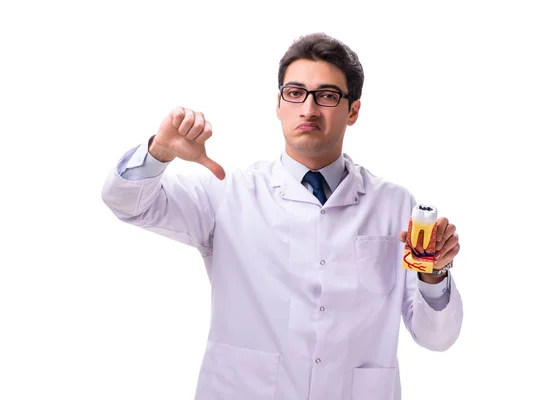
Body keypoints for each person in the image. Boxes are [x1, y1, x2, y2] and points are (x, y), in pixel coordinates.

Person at [101, 32, 462, 400]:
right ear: (278, 103)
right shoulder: (228, 193)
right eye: (295, 93)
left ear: (352, 110)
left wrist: (434, 276)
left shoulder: (395, 206)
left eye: (327, 95)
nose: (308, 109)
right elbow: (127, 203)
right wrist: (159, 151)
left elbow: (437, 336)